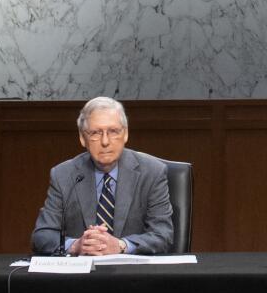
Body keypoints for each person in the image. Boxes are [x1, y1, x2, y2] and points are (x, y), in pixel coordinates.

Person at [31, 96, 174, 255]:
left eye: (113, 131)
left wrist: (121, 245)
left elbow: (163, 235)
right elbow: (42, 236)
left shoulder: (152, 173)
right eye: (95, 133)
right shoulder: (64, 175)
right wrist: (75, 245)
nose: (105, 141)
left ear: (125, 134)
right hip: (80, 277)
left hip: (134, 276)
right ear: (82, 138)